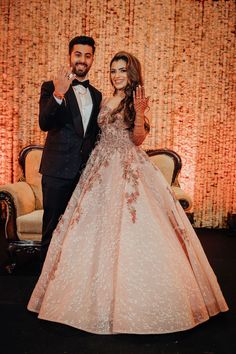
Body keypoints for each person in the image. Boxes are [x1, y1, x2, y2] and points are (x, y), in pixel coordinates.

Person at [28, 51, 228, 334]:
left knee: (133, 227)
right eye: (113, 70)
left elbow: (137, 140)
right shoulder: (103, 98)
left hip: (126, 167)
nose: (116, 75)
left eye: (122, 70)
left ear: (132, 73)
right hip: (99, 168)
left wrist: (140, 114)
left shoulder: (135, 101)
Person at [39, 36, 102, 264]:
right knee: (52, 227)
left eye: (87, 55)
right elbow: (44, 123)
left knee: (78, 229)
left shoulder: (97, 95)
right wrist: (58, 94)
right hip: (56, 172)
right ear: (70, 56)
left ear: (92, 59)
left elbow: (93, 135)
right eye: (78, 54)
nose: (82, 60)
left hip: (84, 175)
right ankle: (44, 282)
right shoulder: (51, 86)